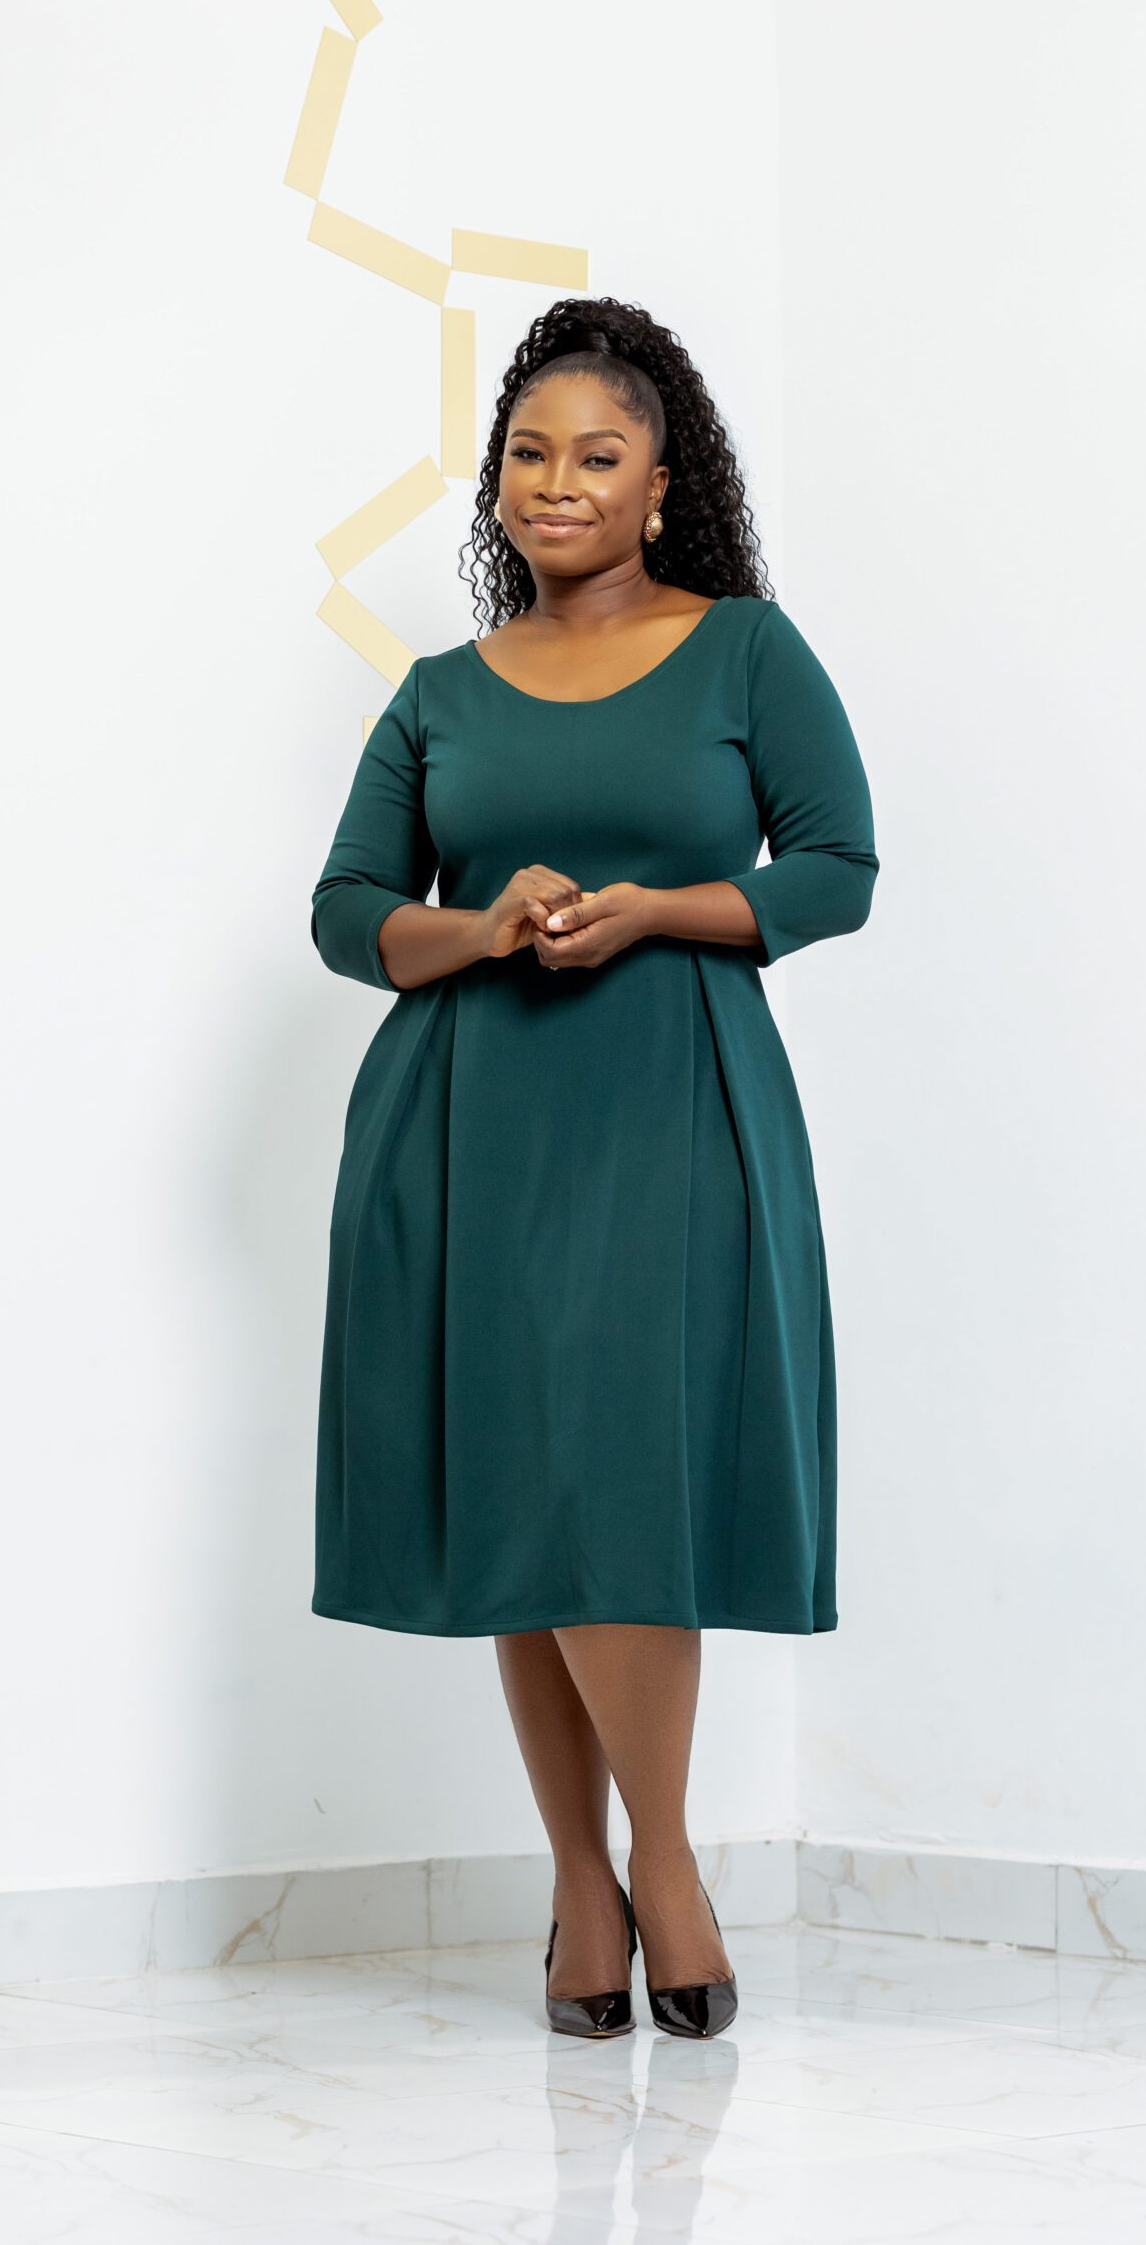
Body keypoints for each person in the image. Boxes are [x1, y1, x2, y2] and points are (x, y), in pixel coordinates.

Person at [309, 295, 880, 2040]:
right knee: (526, 1493)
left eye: (599, 456)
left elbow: (837, 868)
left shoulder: (746, 653)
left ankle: (670, 1863)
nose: (558, 483)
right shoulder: (437, 694)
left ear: (659, 488)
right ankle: (579, 1881)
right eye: (529, 455)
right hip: (471, 1115)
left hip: (672, 1100)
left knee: (621, 1484)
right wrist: (486, 926)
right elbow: (347, 913)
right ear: (497, 484)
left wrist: (659, 913)